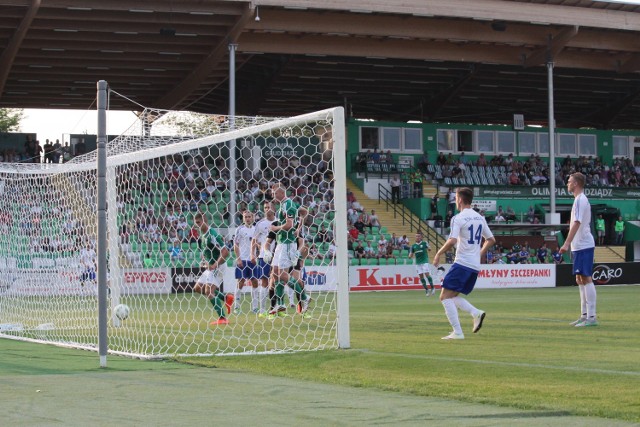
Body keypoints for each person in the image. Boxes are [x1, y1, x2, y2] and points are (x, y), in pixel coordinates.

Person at [433, 187, 495, 340]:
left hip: (462, 263)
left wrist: (438, 253)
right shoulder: (479, 217)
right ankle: (474, 315)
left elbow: (452, 240)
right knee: (452, 296)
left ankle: (460, 330)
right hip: (474, 266)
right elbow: (491, 240)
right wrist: (479, 253)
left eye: (455, 198)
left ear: (459, 199)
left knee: (444, 297)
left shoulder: (458, 218)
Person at [559, 172, 598, 327]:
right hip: (578, 245)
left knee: (586, 277)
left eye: (569, 181)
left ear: (575, 183)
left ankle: (592, 317)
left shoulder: (581, 200)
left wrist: (566, 243)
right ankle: (584, 315)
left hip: (583, 244)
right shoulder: (578, 200)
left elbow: (576, 223)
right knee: (579, 278)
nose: (567, 184)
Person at [193, 213, 234, 325]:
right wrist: (204, 261)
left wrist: (215, 264)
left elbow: (225, 251)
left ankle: (222, 318)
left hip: (218, 266)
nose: (196, 225)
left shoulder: (212, 234)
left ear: (205, 221)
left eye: (198, 222)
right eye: (195, 223)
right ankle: (226, 298)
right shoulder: (203, 235)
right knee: (197, 288)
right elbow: (207, 252)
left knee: (208, 291)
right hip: (210, 267)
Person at [233, 211, 258, 313]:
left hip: (252, 259)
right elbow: (235, 245)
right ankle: (236, 307)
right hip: (243, 259)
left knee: (255, 282)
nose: (247, 219)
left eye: (249, 217)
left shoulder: (256, 229)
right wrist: (238, 258)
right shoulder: (240, 229)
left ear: (252, 218)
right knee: (241, 282)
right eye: (245, 217)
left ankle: (255, 307)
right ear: (243, 219)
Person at [409, 231, 435, 297]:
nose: (417, 237)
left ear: (421, 237)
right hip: (418, 263)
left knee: (427, 274)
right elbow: (411, 254)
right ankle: (426, 289)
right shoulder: (413, 246)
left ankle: (432, 287)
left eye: (418, 236)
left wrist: (429, 248)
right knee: (421, 276)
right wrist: (409, 256)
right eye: (416, 236)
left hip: (424, 261)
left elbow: (429, 249)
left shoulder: (424, 243)